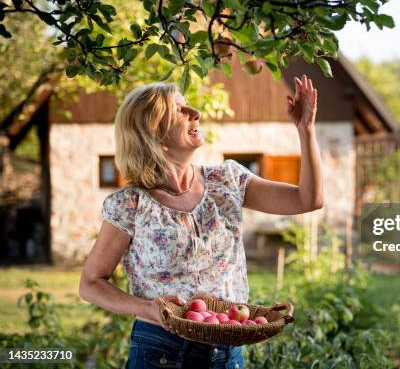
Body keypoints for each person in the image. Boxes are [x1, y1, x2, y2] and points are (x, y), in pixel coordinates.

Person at [79, 74, 323, 368]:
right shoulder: (130, 204)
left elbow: (308, 200)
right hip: (161, 351)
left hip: (228, 349)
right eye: (179, 110)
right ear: (154, 134)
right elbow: (90, 283)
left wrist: (306, 130)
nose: (196, 113)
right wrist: (148, 309)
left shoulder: (228, 181)